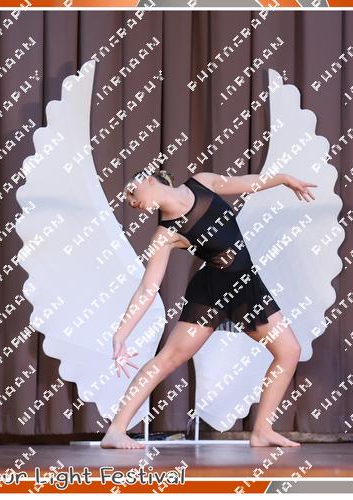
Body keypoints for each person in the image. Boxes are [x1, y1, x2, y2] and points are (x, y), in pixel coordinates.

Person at [100, 168, 317, 449]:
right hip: (212, 293)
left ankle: (262, 430)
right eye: (129, 201)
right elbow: (147, 289)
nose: (132, 202)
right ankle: (116, 430)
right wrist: (121, 334)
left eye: (132, 193)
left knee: (289, 351)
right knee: (168, 359)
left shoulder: (202, 183)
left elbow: (246, 183)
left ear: (150, 181)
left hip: (246, 284)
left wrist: (284, 179)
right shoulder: (165, 234)